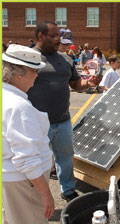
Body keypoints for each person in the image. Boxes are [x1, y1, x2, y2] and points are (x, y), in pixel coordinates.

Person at [2, 44, 76, 224]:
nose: (37, 76)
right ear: (19, 73)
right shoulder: (19, 107)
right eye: (34, 72)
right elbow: (28, 158)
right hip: (25, 181)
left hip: (9, 178)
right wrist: (46, 195)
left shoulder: (5, 96)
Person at [28, 21, 101, 201]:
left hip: (63, 121)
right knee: (36, 162)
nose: (58, 40)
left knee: (65, 158)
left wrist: (88, 83)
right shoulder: (28, 58)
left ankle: (67, 190)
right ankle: (35, 196)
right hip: (36, 124)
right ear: (40, 36)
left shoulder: (65, 59)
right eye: (53, 36)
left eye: (59, 37)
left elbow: (75, 84)